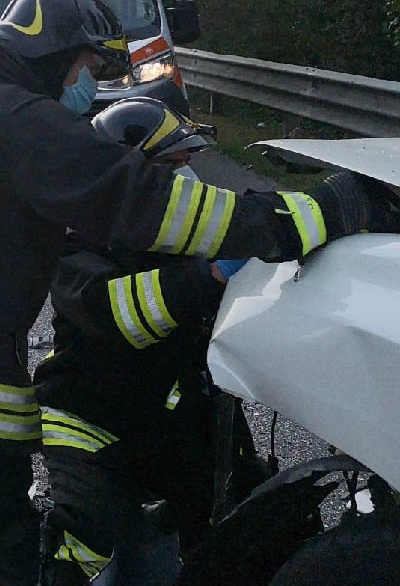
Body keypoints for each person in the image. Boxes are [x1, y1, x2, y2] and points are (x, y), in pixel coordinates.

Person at [0, 0, 385, 586]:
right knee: (2, 551)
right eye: (86, 63)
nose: (88, 80)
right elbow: (163, 210)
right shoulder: (34, 127)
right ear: (52, 54)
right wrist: (316, 215)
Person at [36, 97, 259, 586]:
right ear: (123, 174)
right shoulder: (79, 240)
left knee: (233, 518)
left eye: (186, 166)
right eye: (169, 167)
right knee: (84, 544)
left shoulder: (187, 233)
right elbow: (119, 313)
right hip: (92, 420)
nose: (186, 182)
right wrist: (211, 278)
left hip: (171, 414)